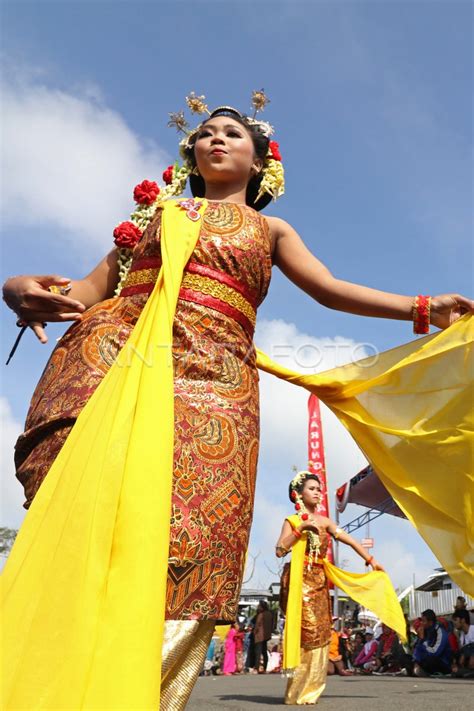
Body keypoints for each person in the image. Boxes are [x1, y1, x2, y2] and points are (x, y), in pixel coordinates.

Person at [2, 90, 473, 709]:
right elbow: (83, 292)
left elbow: (329, 290)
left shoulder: (269, 227)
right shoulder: (151, 220)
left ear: (259, 164)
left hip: (216, 383)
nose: (215, 139)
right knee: (84, 508)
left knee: (193, 539)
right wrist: (16, 288)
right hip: (117, 363)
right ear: (191, 156)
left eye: (232, 133)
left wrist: (420, 308)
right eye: (205, 133)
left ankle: (139, 692)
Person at [276, 471, 393, 704]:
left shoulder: (326, 522)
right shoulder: (292, 521)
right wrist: (301, 530)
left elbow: (349, 540)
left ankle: (311, 691)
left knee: (322, 632)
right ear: (298, 494)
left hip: (319, 581)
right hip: (300, 582)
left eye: (319, 489)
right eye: (312, 488)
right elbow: (280, 549)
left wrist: (371, 560)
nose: (317, 492)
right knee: (306, 633)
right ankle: (296, 691)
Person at [413, 609, 452, 676]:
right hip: (426, 658)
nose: (421, 623)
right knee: (406, 659)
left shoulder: (440, 632)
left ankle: (425, 672)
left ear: (430, 622)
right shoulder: (425, 630)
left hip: (441, 662)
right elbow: (416, 650)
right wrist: (416, 662)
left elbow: (435, 653)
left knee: (429, 660)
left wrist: (423, 640)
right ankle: (418, 670)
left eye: (423, 621)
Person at [452, 609, 474, 676]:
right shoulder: (462, 635)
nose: (454, 623)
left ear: (463, 620)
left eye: (456, 620)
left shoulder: (473, 629)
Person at [253, 600, 274, 673]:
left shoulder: (261, 615)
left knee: (258, 652)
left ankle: (257, 668)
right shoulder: (269, 614)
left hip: (259, 636)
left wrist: (254, 633)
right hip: (266, 635)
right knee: (264, 652)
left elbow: (257, 625)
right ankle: (265, 668)